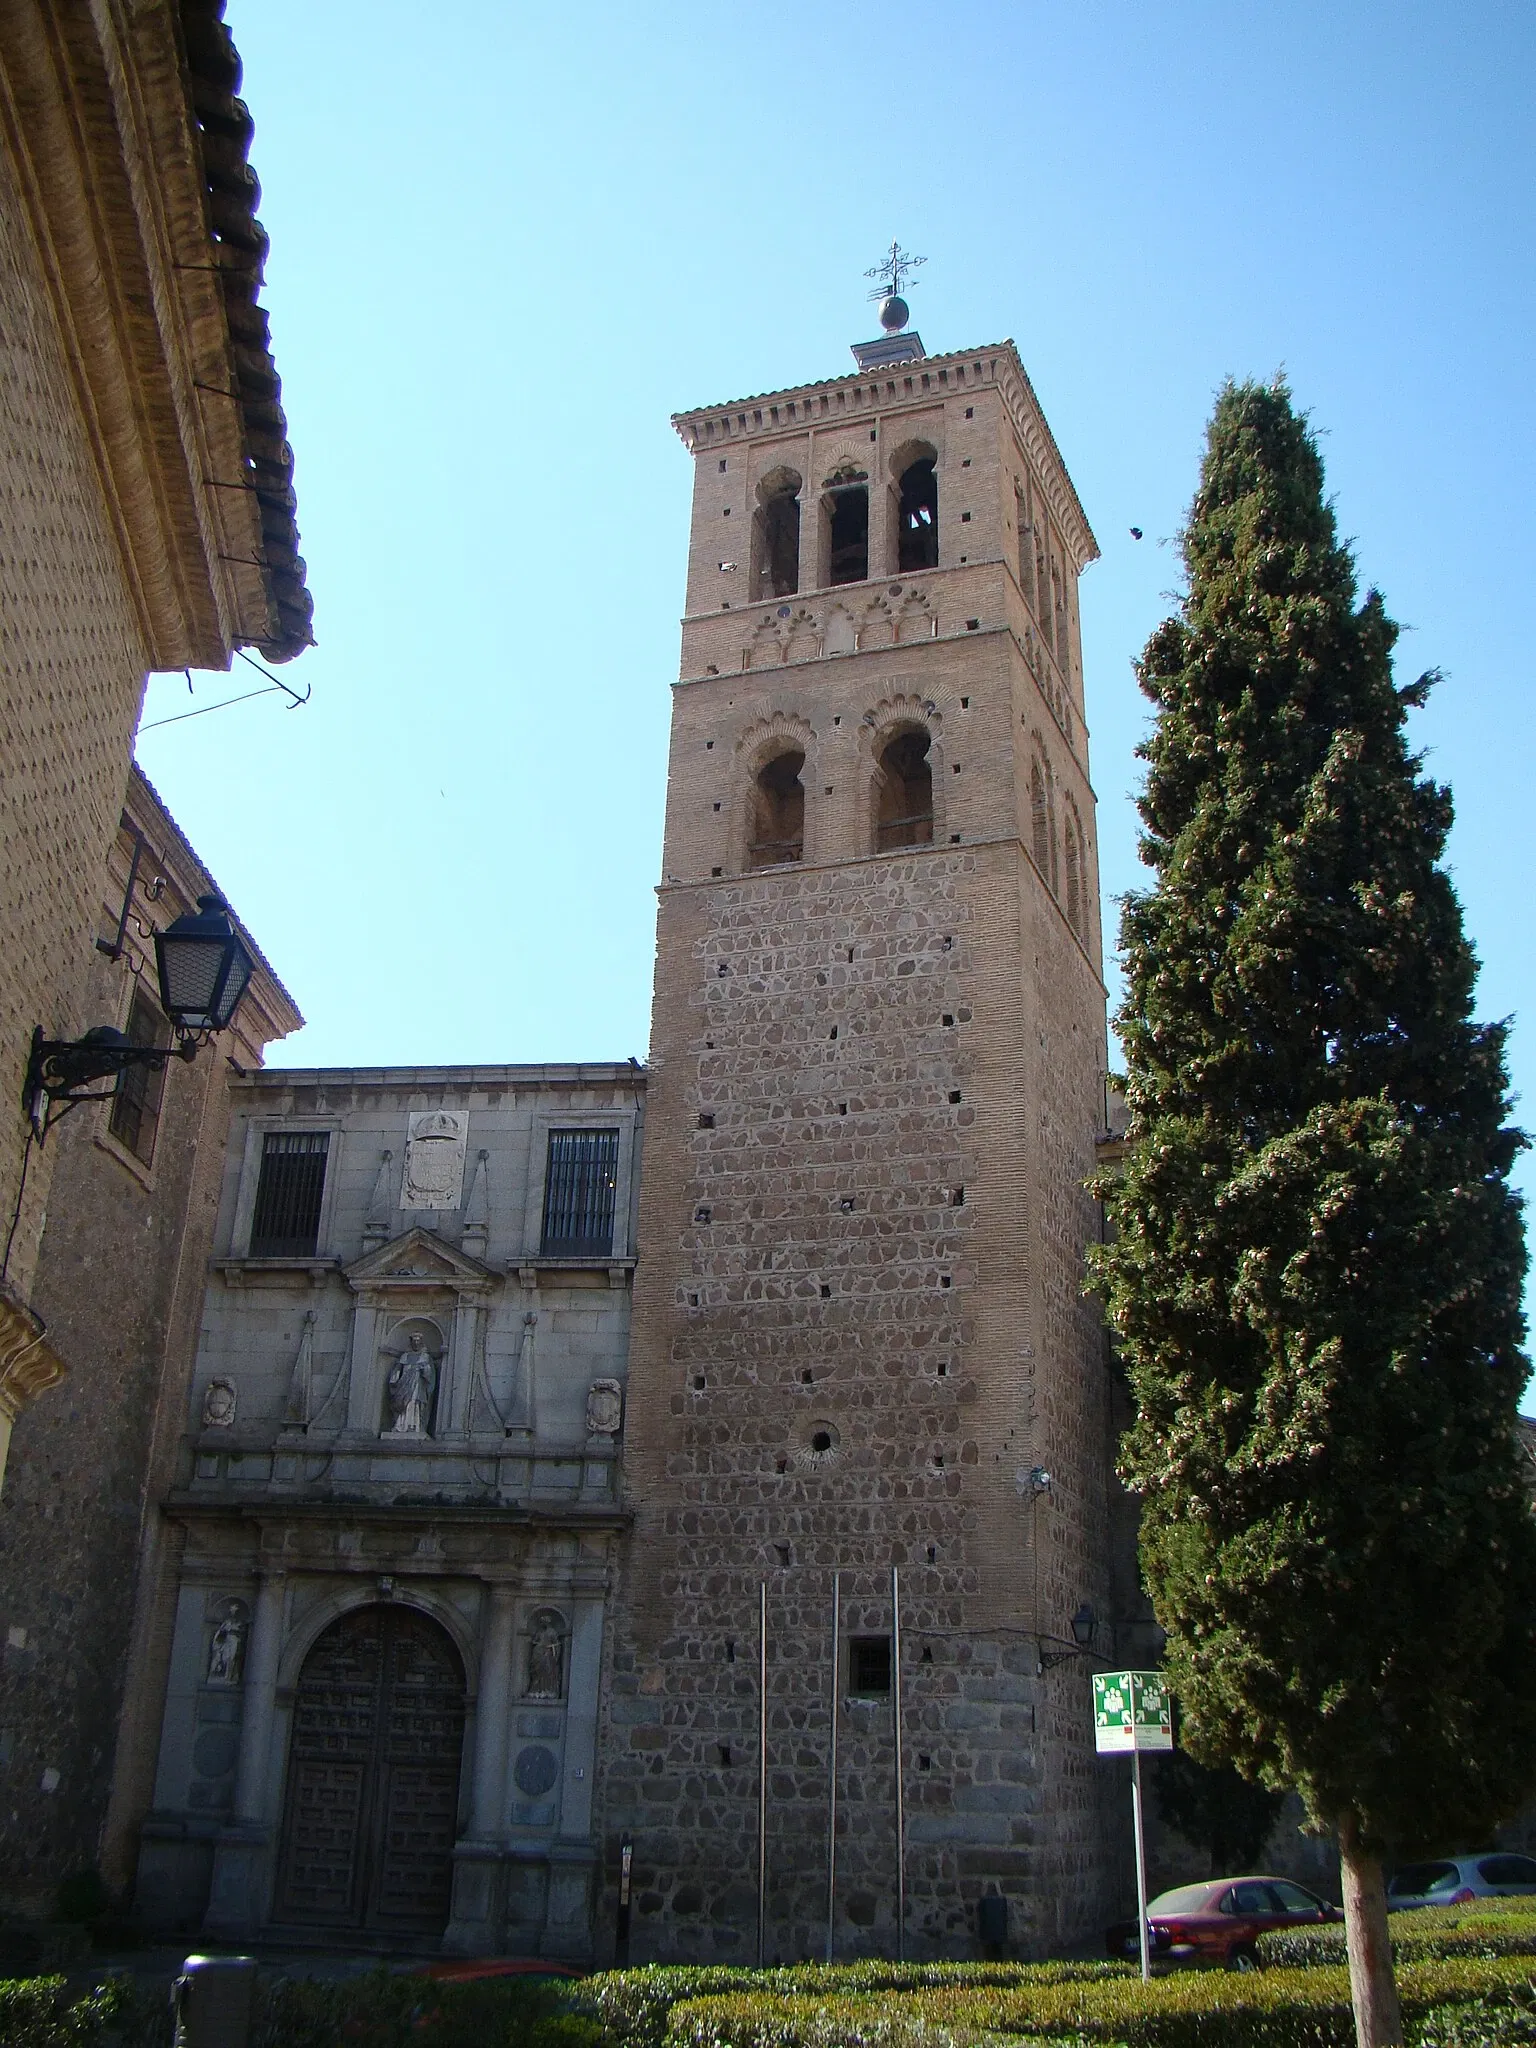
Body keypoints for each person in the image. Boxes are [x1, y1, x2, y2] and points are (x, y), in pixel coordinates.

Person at [387, 1335, 436, 1435]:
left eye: (418, 1341)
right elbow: (397, 1370)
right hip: (404, 1384)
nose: (416, 1343)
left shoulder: (425, 1357)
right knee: (403, 1404)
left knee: (414, 1403)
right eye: (414, 1341)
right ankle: (400, 1426)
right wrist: (395, 1379)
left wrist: (424, 1370)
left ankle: (414, 1426)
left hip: (418, 1385)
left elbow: (429, 1373)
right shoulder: (404, 1357)